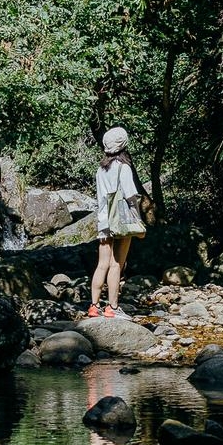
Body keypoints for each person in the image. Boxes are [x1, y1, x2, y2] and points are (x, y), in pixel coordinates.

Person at [88, 126, 142, 319]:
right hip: (122, 222)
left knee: (101, 264)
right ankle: (113, 307)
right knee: (117, 264)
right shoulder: (124, 168)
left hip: (104, 222)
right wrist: (138, 221)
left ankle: (94, 306)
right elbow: (131, 197)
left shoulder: (100, 170)